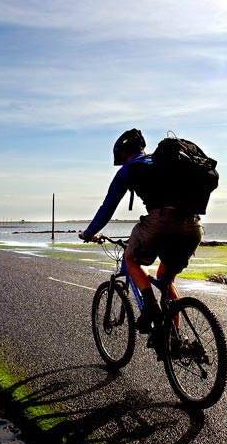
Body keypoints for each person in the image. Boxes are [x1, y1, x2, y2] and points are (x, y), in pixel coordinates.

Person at [79, 128, 204, 336]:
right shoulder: (164, 163)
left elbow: (106, 210)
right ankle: (174, 340)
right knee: (165, 279)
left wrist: (88, 233)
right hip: (193, 226)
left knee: (130, 258)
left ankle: (150, 307)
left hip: (161, 222)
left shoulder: (129, 169)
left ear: (122, 153)